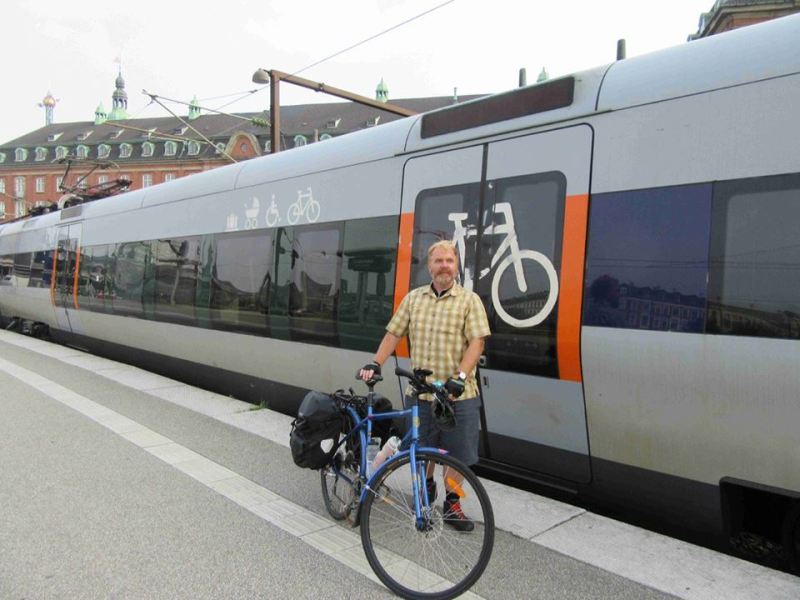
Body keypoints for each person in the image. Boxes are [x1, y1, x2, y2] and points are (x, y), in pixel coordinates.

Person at [359, 239, 490, 531]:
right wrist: (376, 363)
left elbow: (477, 343)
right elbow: (393, 334)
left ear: (457, 266)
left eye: (449, 260)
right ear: (429, 266)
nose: (444, 265)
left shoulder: (469, 300)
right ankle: (426, 492)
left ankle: (452, 503)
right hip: (421, 393)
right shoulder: (413, 299)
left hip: (459, 395)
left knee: (457, 455)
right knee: (423, 448)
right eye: (438, 260)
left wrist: (460, 377)